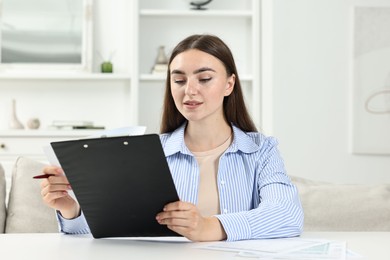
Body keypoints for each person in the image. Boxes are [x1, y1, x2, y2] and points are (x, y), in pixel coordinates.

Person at [40, 34, 304, 242]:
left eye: (204, 78)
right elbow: (108, 224)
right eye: (179, 80)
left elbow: (287, 215)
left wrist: (208, 226)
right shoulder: (148, 153)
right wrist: (70, 208)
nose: (190, 90)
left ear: (229, 84)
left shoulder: (262, 150)